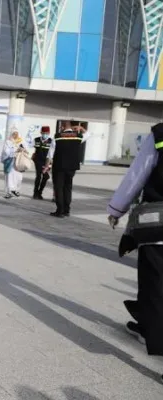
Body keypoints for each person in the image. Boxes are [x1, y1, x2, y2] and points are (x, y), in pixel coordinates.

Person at [107, 123, 163, 382]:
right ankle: (144, 323)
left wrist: (117, 209)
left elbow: (137, 174)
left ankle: (149, 327)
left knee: (156, 292)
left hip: (158, 230)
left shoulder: (160, 134)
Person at [44, 121, 90, 217]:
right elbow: (88, 134)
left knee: (59, 188)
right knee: (68, 188)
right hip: (72, 167)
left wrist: (46, 166)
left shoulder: (57, 136)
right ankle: (66, 210)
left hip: (59, 166)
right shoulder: (78, 136)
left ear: (62, 127)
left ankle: (59, 211)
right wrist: (81, 128)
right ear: (71, 127)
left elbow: (50, 154)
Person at [1, 130, 26, 199]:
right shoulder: (8, 142)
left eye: (17, 134)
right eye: (14, 134)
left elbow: (26, 150)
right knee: (9, 177)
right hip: (10, 162)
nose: (15, 135)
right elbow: (6, 152)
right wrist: (15, 151)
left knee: (18, 177)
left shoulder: (21, 141)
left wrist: (23, 150)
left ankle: (16, 190)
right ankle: (9, 192)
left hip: (19, 163)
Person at [32, 126, 52, 200]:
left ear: (49, 133)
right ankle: (35, 193)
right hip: (38, 161)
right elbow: (29, 146)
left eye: (46, 133)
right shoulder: (36, 140)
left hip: (47, 161)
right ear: (41, 133)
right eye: (43, 133)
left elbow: (52, 152)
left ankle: (39, 192)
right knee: (39, 176)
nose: (45, 134)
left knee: (46, 177)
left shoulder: (51, 141)